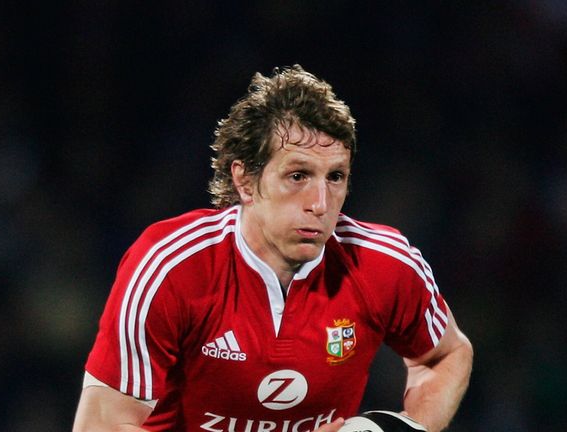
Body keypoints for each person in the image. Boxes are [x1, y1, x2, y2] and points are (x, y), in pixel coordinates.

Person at [72, 65, 473, 432]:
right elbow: (100, 425)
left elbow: (445, 356)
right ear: (245, 182)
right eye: (297, 175)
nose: (319, 202)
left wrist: (398, 429)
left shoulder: (385, 264)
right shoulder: (170, 266)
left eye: (335, 177)